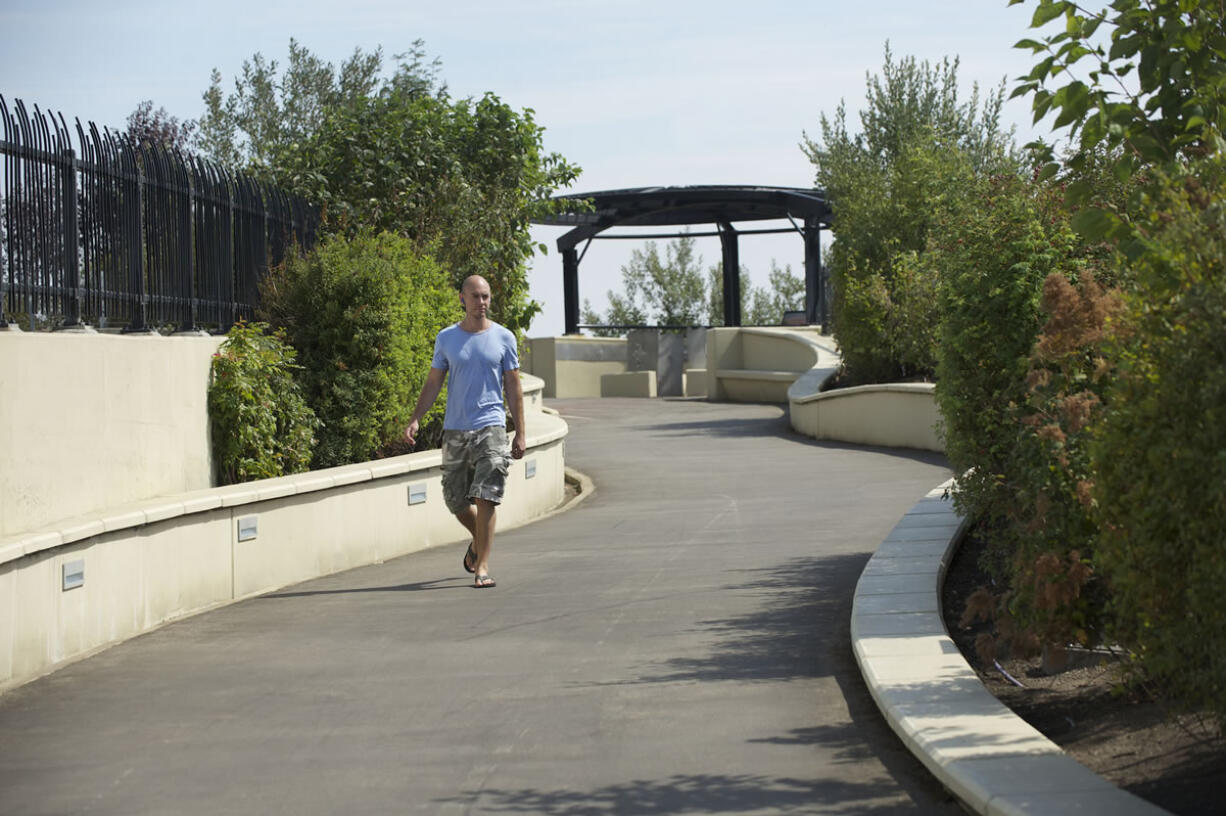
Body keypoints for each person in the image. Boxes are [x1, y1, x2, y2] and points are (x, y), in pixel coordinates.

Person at [405, 275, 525, 588]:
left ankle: (482, 566)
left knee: (487, 496)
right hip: (456, 429)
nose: (481, 302)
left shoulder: (503, 337)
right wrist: (416, 417)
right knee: (455, 499)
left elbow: (513, 386)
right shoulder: (447, 338)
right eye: (475, 296)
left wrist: (520, 432)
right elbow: (434, 382)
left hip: (491, 426)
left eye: (485, 296)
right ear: (462, 298)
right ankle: (479, 540)